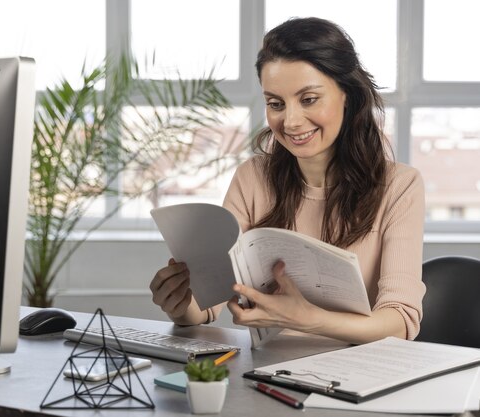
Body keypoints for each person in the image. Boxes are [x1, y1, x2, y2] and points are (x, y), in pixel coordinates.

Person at [149, 17, 425, 345]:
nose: (291, 122)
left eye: (308, 99)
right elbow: (210, 305)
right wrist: (180, 305)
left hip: (362, 377)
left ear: (346, 95)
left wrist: (308, 319)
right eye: (276, 104)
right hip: (270, 374)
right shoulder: (252, 177)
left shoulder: (400, 186)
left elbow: (400, 321)